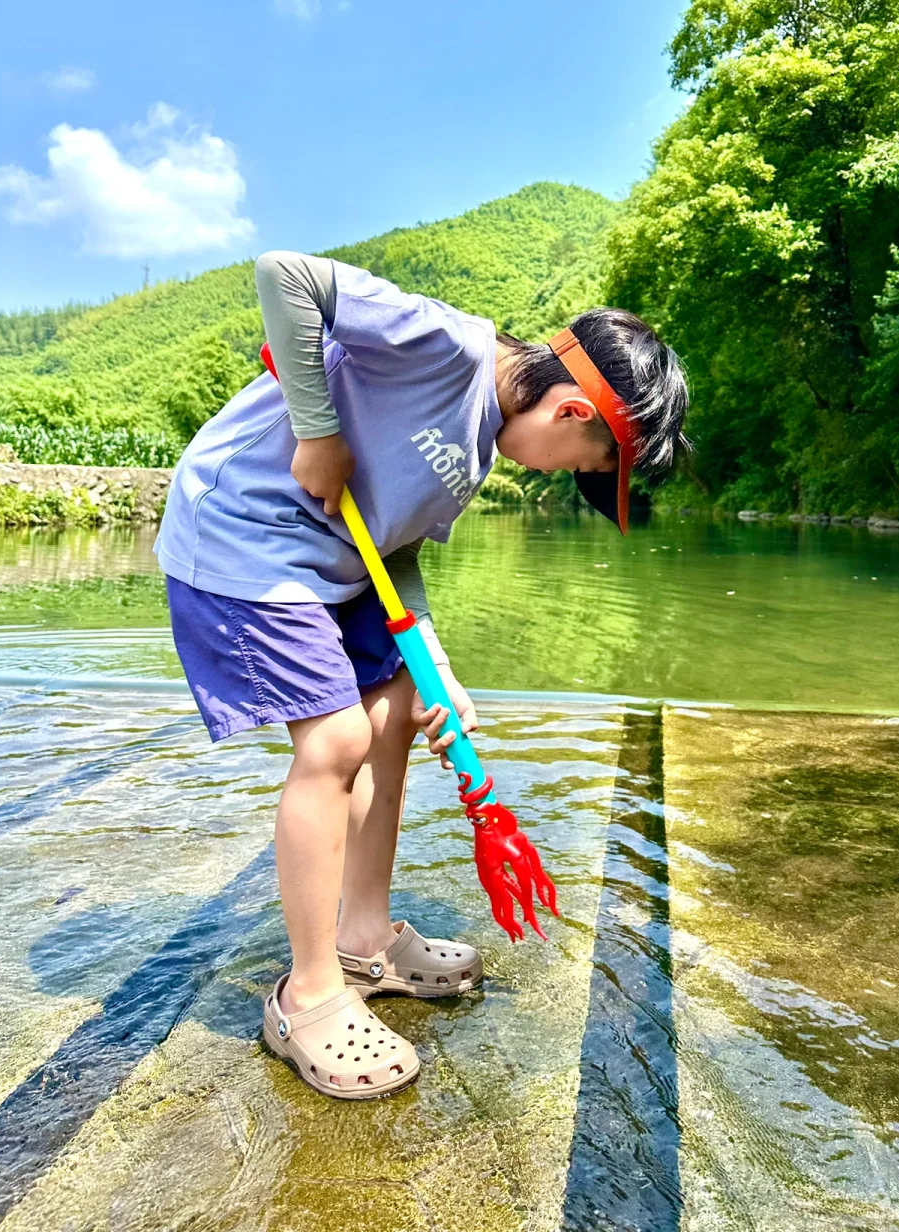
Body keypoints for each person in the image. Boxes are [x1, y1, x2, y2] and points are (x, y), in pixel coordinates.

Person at [155, 250, 688, 1099]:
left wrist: (436, 671)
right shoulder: (446, 346)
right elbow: (286, 276)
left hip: (337, 558)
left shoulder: (478, 451)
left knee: (398, 707)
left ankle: (364, 939)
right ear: (571, 409)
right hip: (243, 532)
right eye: (585, 463)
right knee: (337, 738)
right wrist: (318, 433)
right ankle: (310, 993)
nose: (564, 477)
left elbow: (392, 550)